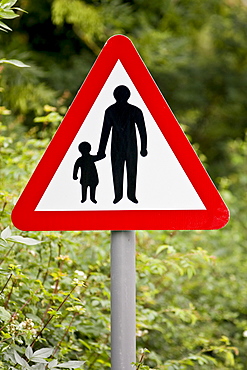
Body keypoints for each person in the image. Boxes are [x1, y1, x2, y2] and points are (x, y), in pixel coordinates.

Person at [97, 85, 147, 204]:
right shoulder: (111, 111)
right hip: (118, 146)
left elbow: (142, 130)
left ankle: (130, 195)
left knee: (127, 170)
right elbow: (105, 132)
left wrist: (144, 148)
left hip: (129, 146)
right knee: (119, 171)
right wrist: (101, 150)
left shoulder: (134, 111)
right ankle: (119, 196)